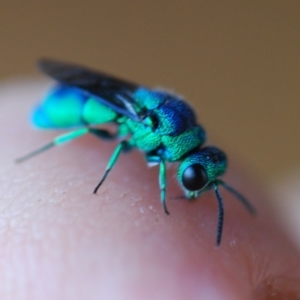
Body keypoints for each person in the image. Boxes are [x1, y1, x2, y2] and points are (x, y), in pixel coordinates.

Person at [1, 80, 300, 299]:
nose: (198, 188)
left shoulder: (180, 137)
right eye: (196, 179)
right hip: (69, 104)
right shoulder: (162, 133)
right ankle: (41, 150)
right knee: (95, 130)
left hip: (103, 97)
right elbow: (131, 146)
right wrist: (112, 178)